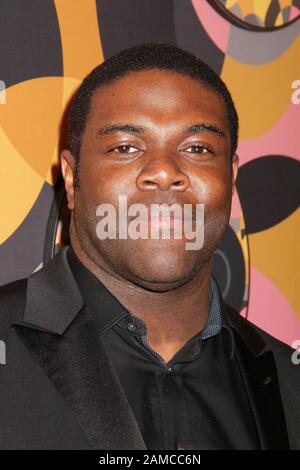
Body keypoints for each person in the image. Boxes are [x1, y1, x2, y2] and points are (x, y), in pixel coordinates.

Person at [0, 43, 299, 450]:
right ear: (72, 180)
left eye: (197, 149)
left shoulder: (288, 380)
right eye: (125, 147)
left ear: (230, 176)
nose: (163, 172)